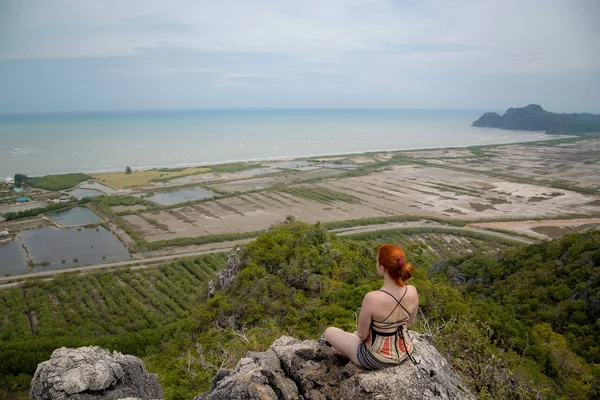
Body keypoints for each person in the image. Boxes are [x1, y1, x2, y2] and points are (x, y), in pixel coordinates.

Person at [324, 244, 418, 369]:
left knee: (329, 332)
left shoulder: (372, 298)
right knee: (355, 337)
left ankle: (351, 353)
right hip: (405, 352)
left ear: (383, 268)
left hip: (376, 358)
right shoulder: (412, 291)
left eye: (377, 261)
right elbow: (410, 323)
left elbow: (362, 335)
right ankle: (351, 349)